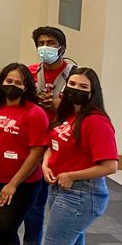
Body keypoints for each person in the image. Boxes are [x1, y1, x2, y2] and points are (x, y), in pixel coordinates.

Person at [42, 68, 118, 245]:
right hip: (60, 188)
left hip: (81, 192)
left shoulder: (96, 121)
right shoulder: (68, 116)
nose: (76, 89)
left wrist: (71, 175)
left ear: (92, 93)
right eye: (72, 84)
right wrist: (46, 164)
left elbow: (110, 166)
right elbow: (52, 145)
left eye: (83, 86)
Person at [0, 63, 48, 245]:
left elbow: (37, 152)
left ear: (26, 87)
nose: (13, 85)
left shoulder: (35, 113)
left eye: (19, 82)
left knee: (6, 228)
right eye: (9, 80)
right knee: (3, 229)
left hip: (23, 184)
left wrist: (13, 184)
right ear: (1, 82)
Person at [22, 25, 74, 245]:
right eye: (41, 44)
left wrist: (56, 104)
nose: (45, 48)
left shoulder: (75, 75)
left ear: (61, 47)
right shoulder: (30, 72)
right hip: (35, 142)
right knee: (34, 204)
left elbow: (84, 107)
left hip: (61, 144)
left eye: (51, 43)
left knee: (63, 204)